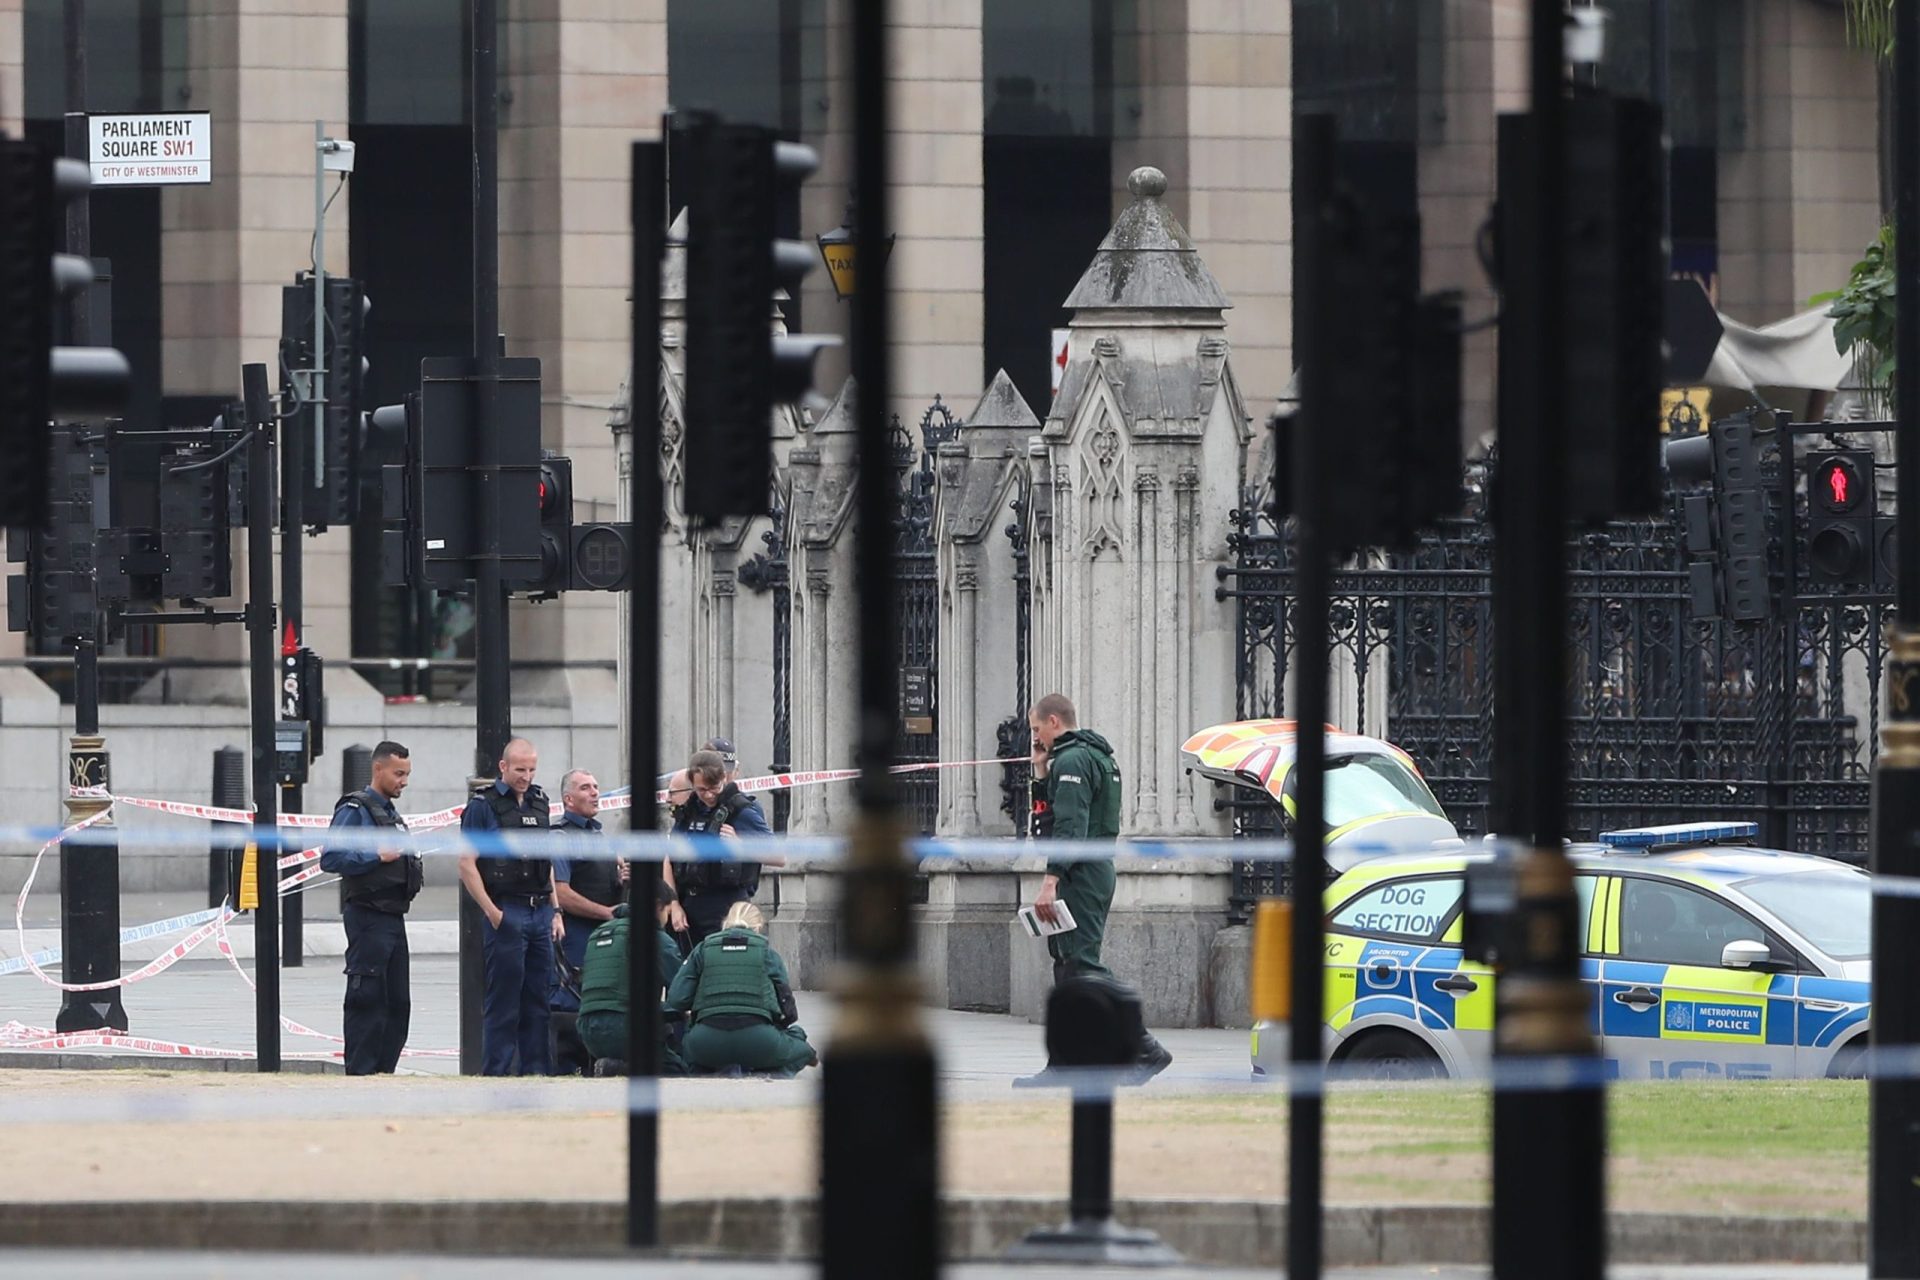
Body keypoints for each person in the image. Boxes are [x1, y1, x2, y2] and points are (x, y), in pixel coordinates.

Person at [1024, 692, 1172, 1082]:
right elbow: (1056, 816)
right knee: (1067, 966)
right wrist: (1041, 772)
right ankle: (1065, 1064)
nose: (1036, 738)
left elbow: (1068, 827)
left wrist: (1050, 881)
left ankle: (1145, 1048)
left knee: (1082, 965)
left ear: (1054, 721)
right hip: (1089, 870)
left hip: (1080, 874)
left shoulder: (1073, 759)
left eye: (1037, 729)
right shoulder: (1095, 756)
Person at [458, 737, 565, 1076]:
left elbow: (543, 861)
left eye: (532, 769)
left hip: (539, 910)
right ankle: (497, 1074)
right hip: (507, 910)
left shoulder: (539, 802)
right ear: (503, 767)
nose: (527, 776)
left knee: (538, 1001)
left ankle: (536, 1073)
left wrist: (556, 909)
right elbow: (466, 863)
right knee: (504, 1002)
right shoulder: (483, 806)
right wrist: (492, 912)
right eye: (520, 769)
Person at [320, 741, 421, 1076]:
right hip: (368, 916)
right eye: (398, 773)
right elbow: (331, 858)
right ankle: (361, 1074)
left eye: (407, 774)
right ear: (378, 769)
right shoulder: (355, 809)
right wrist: (377, 856)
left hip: (393, 916)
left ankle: (384, 1072)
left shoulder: (390, 814)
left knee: (398, 1004)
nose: (403, 781)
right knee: (368, 1000)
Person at [664, 901, 816, 1078]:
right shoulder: (767, 953)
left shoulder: (703, 949)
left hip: (705, 1042)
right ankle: (771, 1073)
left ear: (725, 924)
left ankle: (708, 1071)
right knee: (799, 1038)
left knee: (689, 1049)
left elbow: (676, 999)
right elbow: (788, 1011)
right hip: (760, 1040)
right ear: (758, 927)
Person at [550, 768, 624, 1075]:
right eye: (585, 788)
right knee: (570, 1008)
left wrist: (620, 880)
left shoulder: (598, 835)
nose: (594, 792)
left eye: (596, 786)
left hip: (602, 941)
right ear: (568, 799)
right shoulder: (561, 837)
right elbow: (561, 893)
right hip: (576, 941)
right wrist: (606, 912)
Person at [576, 880, 689, 1076]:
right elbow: (682, 991)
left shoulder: (598, 933)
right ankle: (621, 1068)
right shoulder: (654, 937)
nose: (666, 920)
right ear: (656, 906)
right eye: (667, 913)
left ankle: (613, 1066)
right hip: (626, 1029)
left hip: (588, 1032)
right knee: (676, 1070)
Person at [670, 748, 774, 946]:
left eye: (714, 787)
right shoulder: (689, 810)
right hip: (689, 907)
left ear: (724, 779)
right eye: (701, 790)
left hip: (727, 907)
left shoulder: (741, 810)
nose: (709, 795)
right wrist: (674, 904)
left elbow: (778, 857)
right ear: (692, 785)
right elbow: (670, 858)